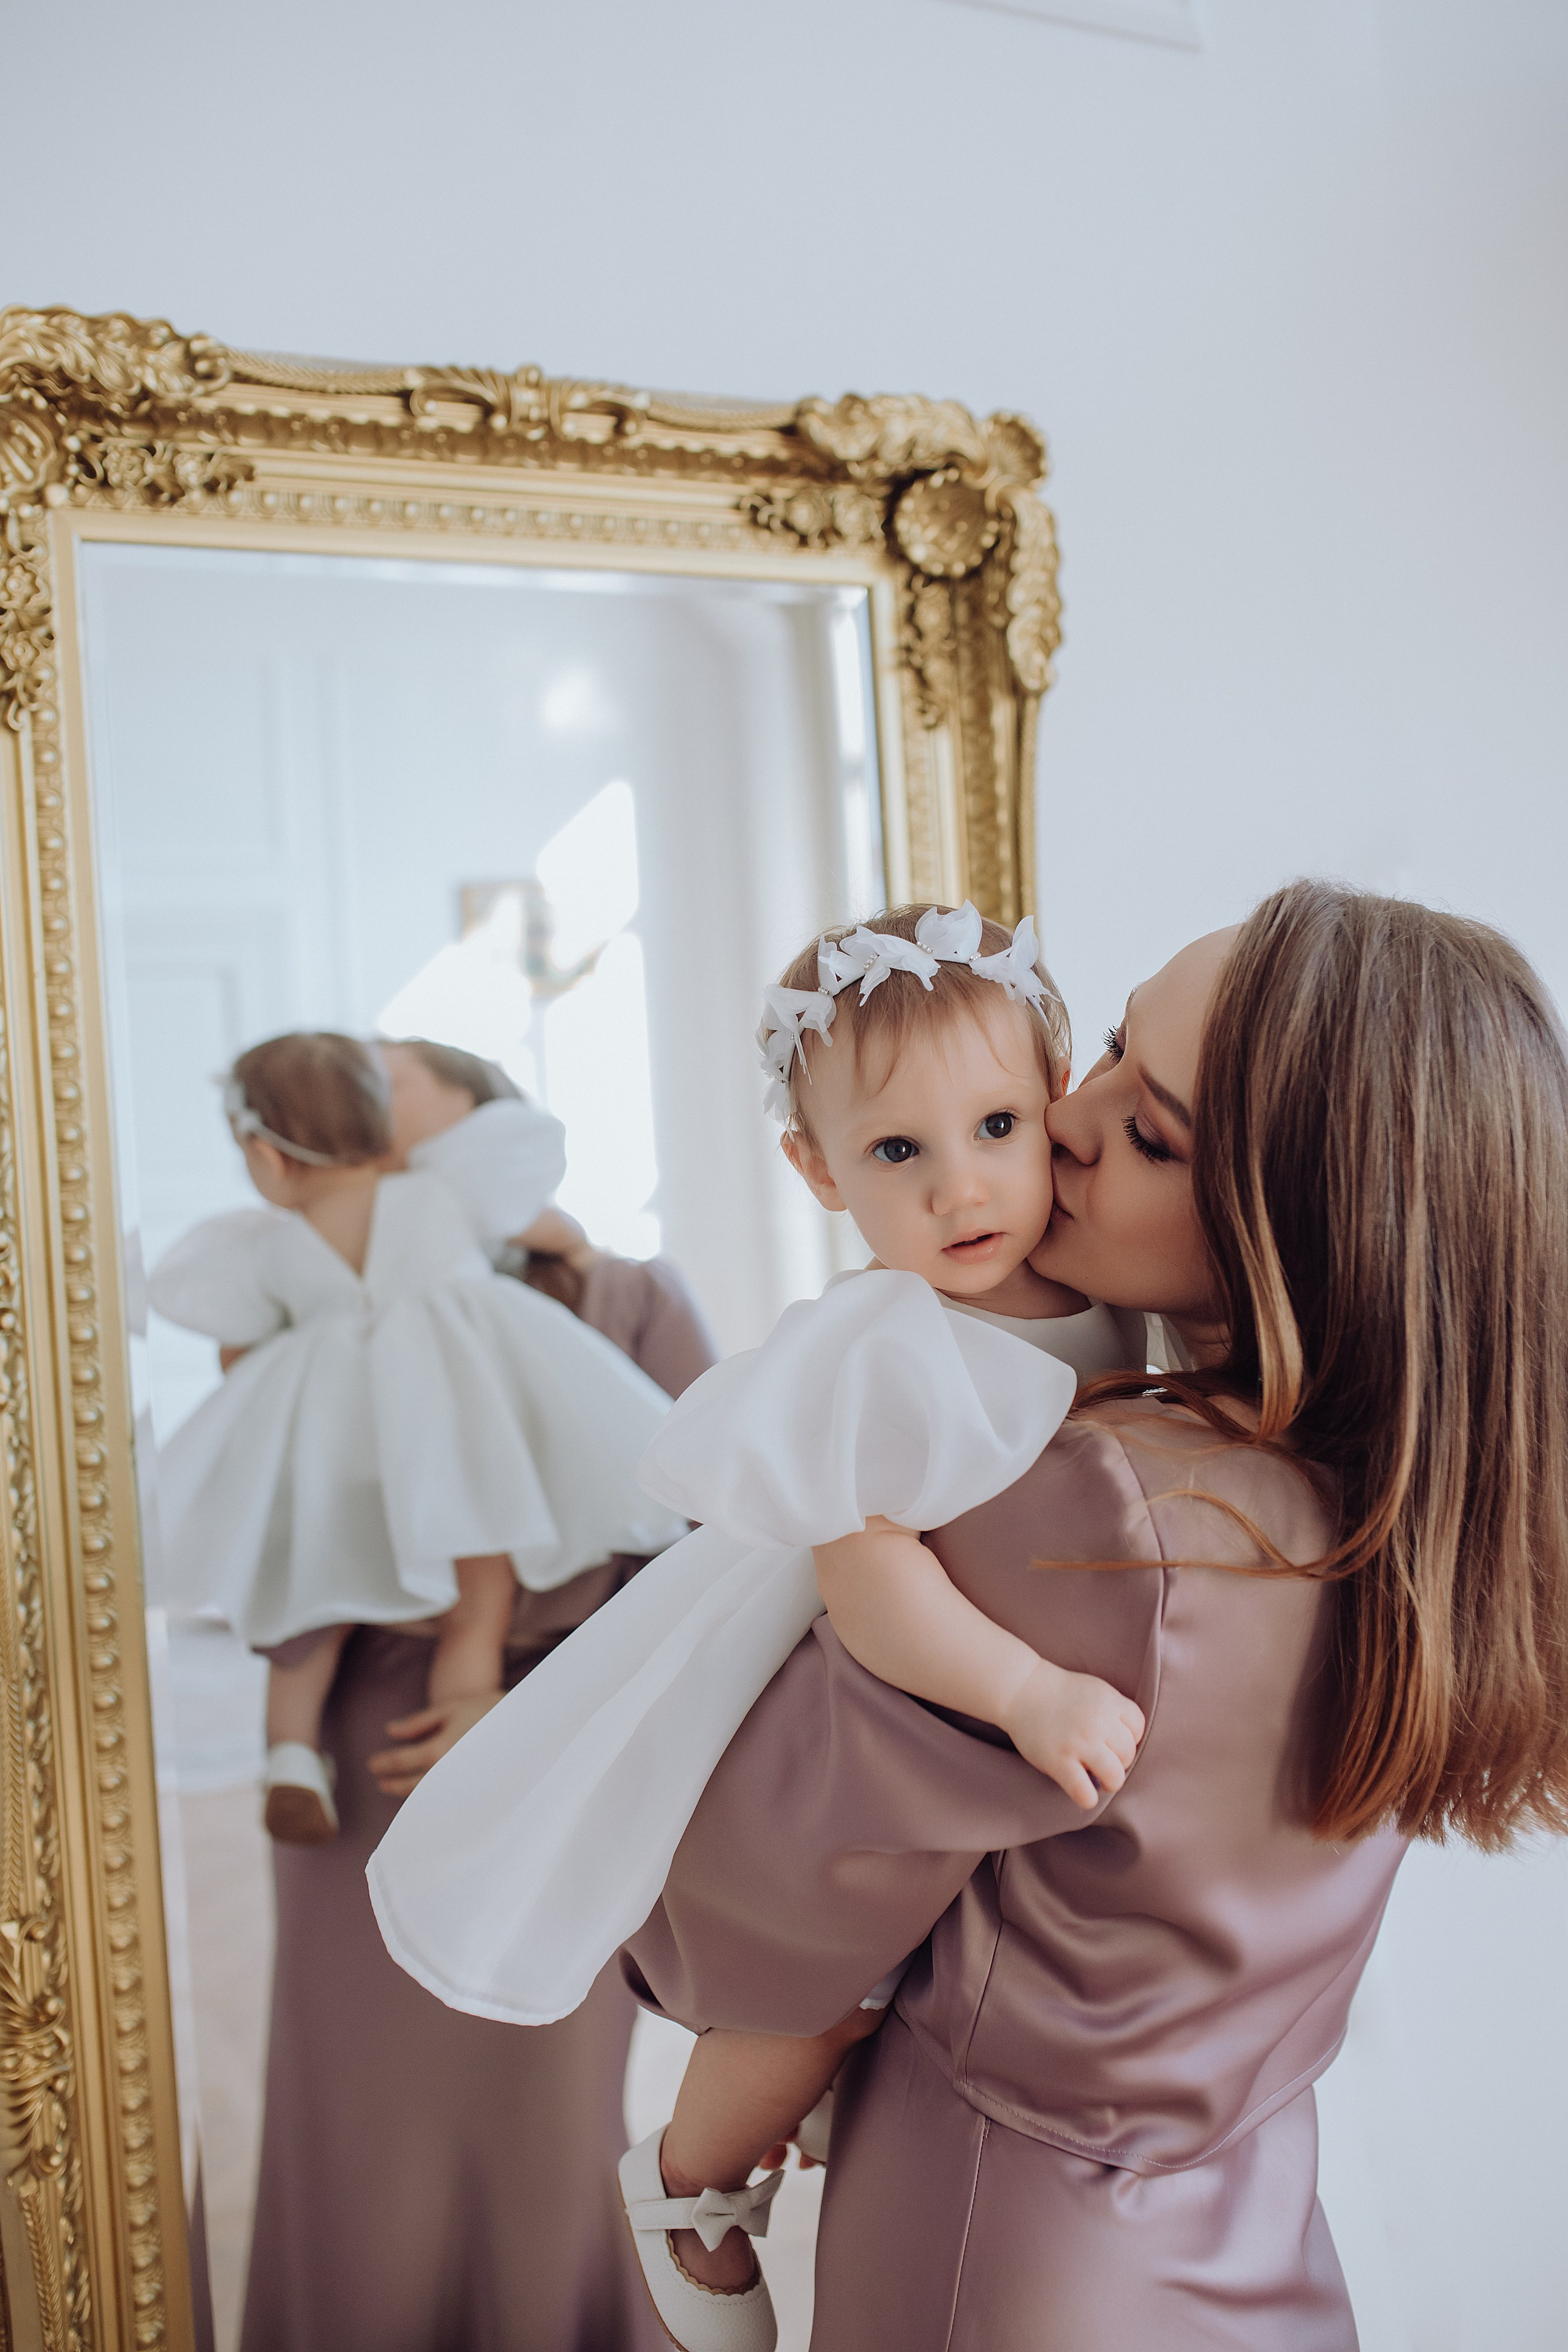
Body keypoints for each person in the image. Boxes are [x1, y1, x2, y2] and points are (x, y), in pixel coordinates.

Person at [614, 883, 1568, 2350]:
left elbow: (809, 1867)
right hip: (1250, 2216)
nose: (1063, 1117)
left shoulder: (1096, 1503)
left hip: (1005, 2241)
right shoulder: (1402, 1500)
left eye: (1145, 1130)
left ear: (1295, 1223)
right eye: (1110, 1049)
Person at [368, 905, 1150, 2349]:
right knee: (822, 1980)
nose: (960, 1188)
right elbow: (876, 1587)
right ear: (818, 1169)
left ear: (1053, 1108)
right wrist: (1027, 1689)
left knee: (933, 1978)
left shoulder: (1115, 1297)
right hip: (858, 1709)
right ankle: (690, 2178)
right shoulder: (880, 1344)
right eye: (897, 1153)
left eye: (994, 1125)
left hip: (959, 1747)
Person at [237, 1055, 720, 2352]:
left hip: (566, 1751)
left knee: (542, 2123)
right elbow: (274, 1535)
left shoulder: (629, 1297)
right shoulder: (311, 1305)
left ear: (487, 1126)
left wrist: (531, 1718)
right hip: (368, 1758)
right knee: (358, 2126)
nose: (370, 1092)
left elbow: (717, 1558)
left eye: (397, 1079)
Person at [148, 1030, 682, 1842]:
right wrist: (570, 1243)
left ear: (267, 1159)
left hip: (336, 1443)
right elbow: (545, 1224)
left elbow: (234, 1351)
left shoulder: (269, 1246)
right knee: (482, 1589)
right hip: (459, 1437)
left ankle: (289, 1752)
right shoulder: (442, 1195)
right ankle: (465, 1704)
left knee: (307, 1588)